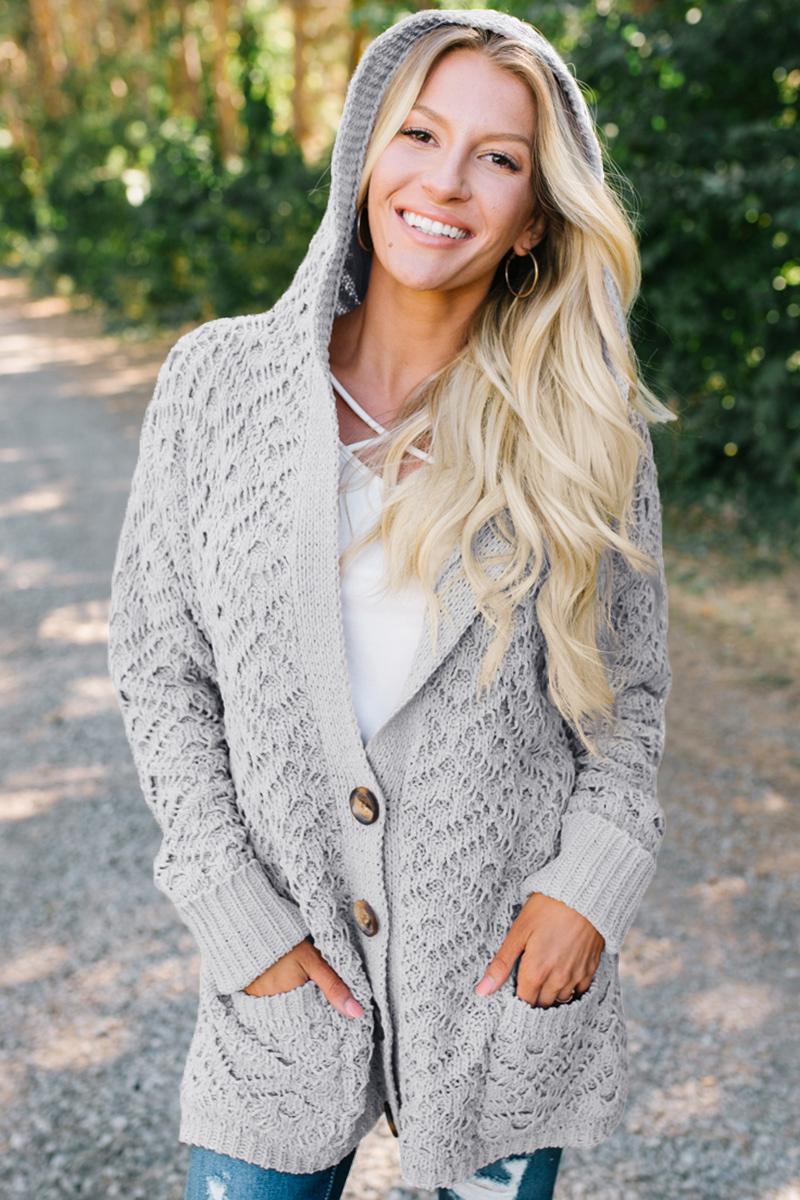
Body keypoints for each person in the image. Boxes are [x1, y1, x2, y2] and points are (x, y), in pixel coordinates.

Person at [107, 9, 674, 1200]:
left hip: (497, 991)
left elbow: (627, 701)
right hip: (276, 993)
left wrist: (587, 888)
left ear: (533, 218)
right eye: (418, 134)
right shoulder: (218, 384)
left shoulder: (584, 427)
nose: (446, 181)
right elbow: (161, 670)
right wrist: (232, 912)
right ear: (366, 154)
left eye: (497, 158)